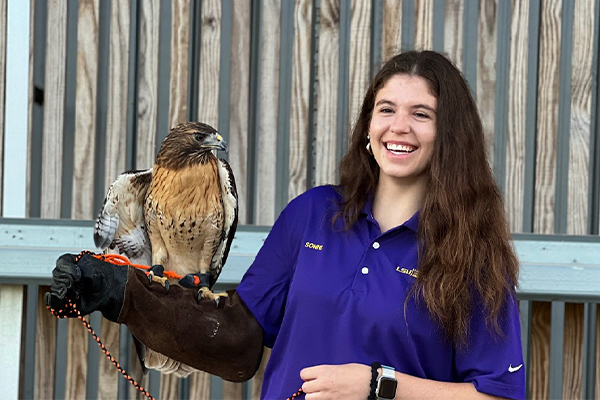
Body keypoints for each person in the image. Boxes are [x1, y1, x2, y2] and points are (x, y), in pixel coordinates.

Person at [47, 50, 525, 400]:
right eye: (386, 110)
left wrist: (380, 384)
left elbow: (499, 394)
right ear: (367, 127)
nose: (399, 126)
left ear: (449, 137)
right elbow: (237, 341)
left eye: (421, 114)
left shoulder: (473, 253)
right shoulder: (312, 214)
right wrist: (123, 294)